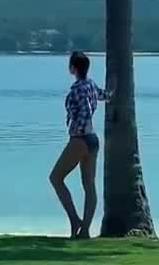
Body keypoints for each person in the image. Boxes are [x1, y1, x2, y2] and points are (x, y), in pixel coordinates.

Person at [49, 51, 113, 239]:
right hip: (92, 139)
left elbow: (85, 110)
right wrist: (112, 90)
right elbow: (104, 96)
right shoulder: (91, 85)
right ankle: (84, 230)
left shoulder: (78, 89)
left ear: (73, 68)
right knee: (89, 185)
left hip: (80, 139)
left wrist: (78, 130)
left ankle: (75, 220)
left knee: (55, 178)